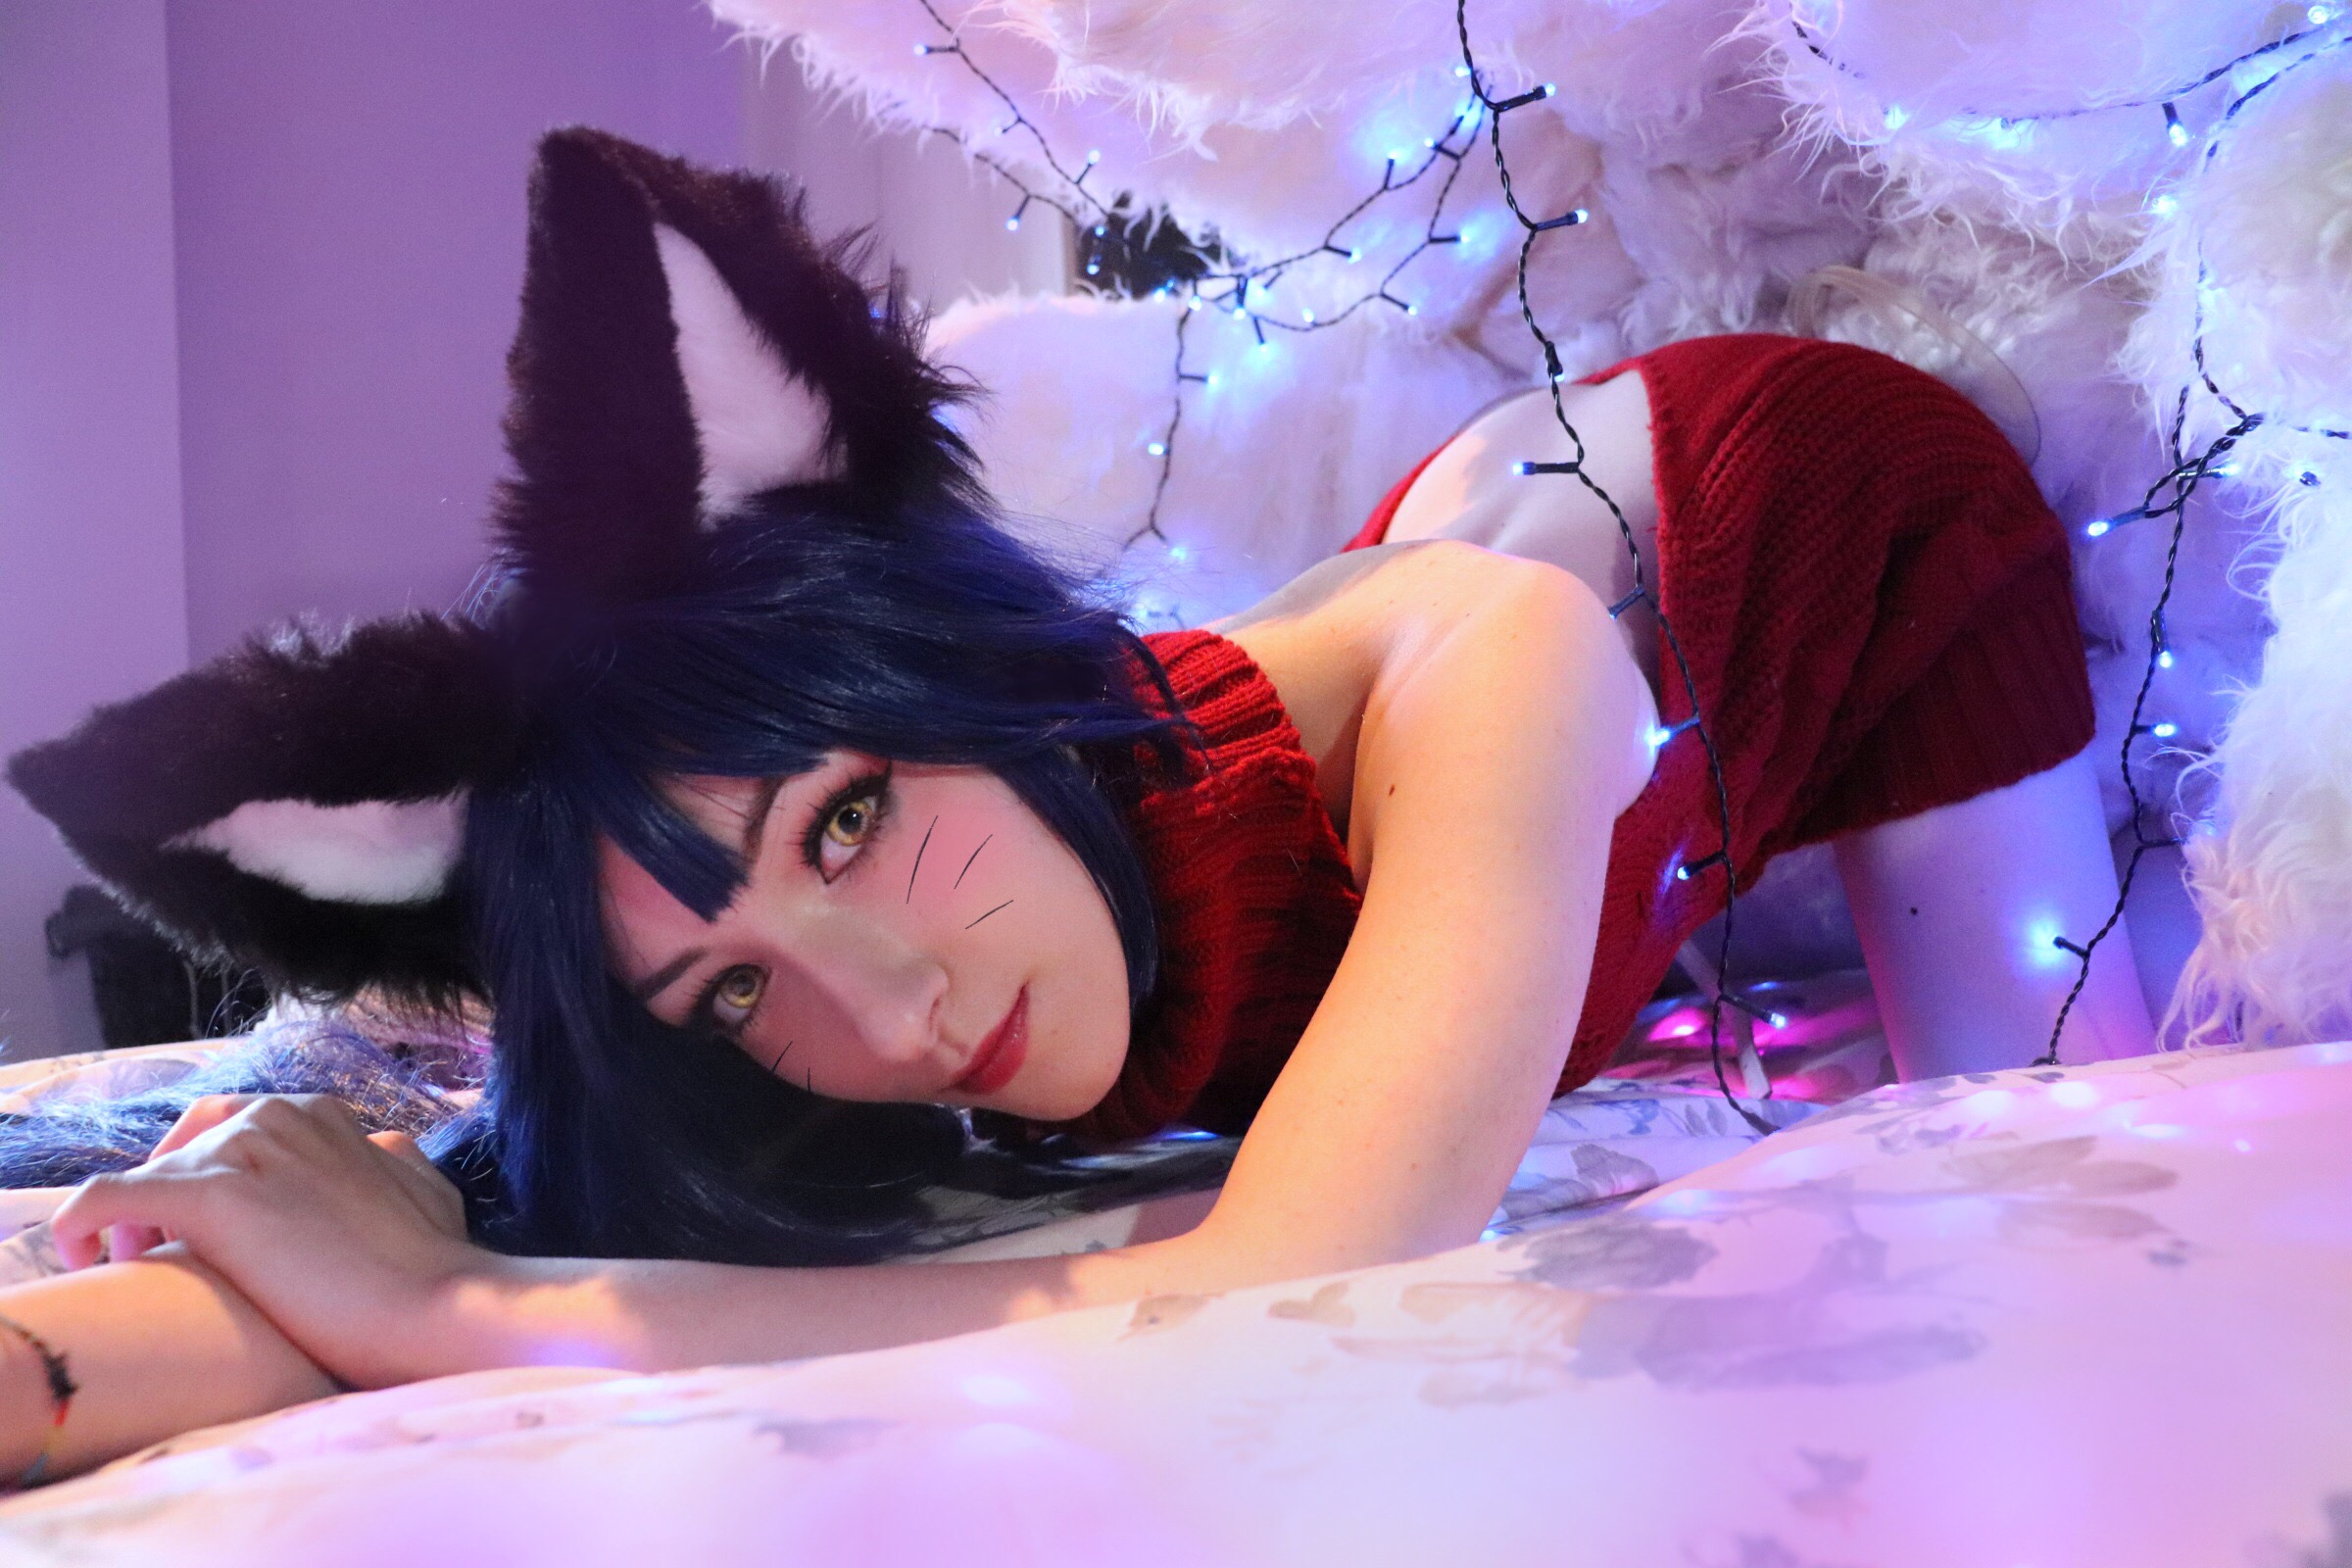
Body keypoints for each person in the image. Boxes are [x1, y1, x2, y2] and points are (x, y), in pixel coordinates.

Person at [0, 128, 2152, 1486]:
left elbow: (1297, 1274)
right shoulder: (982, 916)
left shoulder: (1501, 663)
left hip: (1840, 536)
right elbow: (664, 1231)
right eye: (730, 989)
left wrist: (448, 1315)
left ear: (930, 672)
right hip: (1463, 630)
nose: (894, 1014)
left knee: (2041, 1119)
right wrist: (170, 1312)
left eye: (847, 824)